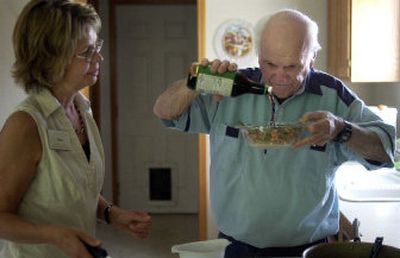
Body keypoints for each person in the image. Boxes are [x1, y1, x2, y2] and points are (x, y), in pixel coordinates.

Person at [153, 9, 395, 258]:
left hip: (309, 249)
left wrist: (341, 129)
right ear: (259, 56)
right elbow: (164, 111)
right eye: (270, 64)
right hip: (236, 246)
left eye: (292, 66)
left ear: (312, 58)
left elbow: (386, 148)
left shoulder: (333, 95)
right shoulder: (229, 86)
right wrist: (194, 82)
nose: (279, 76)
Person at [0, 1, 151, 257]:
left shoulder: (82, 108)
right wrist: (53, 235)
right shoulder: (26, 124)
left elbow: (76, 189)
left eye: (97, 47)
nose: (99, 57)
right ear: (51, 57)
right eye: (88, 52)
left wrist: (111, 214)